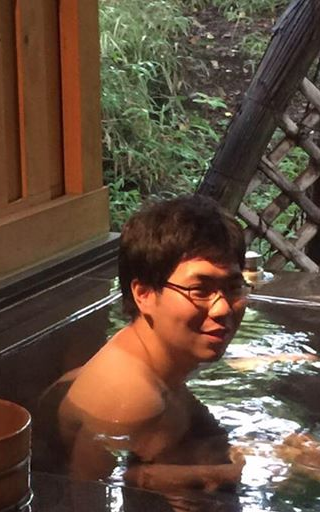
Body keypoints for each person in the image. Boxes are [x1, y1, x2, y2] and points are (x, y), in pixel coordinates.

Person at [57, 195, 250, 491]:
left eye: (233, 287)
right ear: (144, 294)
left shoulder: (157, 362)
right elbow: (87, 497)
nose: (222, 308)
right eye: (200, 290)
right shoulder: (131, 401)